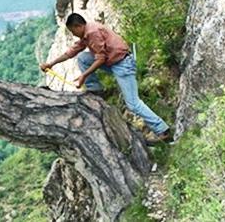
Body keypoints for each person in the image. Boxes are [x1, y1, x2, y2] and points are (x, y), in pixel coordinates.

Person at [40, 13, 171, 142]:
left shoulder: (93, 33)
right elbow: (71, 52)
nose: (73, 34)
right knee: (83, 58)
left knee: (133, 104)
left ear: (78, 26)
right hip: (113, 61)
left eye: (72, 31)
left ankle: (162, 130)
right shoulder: (86, 33)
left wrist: (84, 76)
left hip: (122, 64)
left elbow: (100, 59)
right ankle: (95, 89)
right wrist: (51, 64)